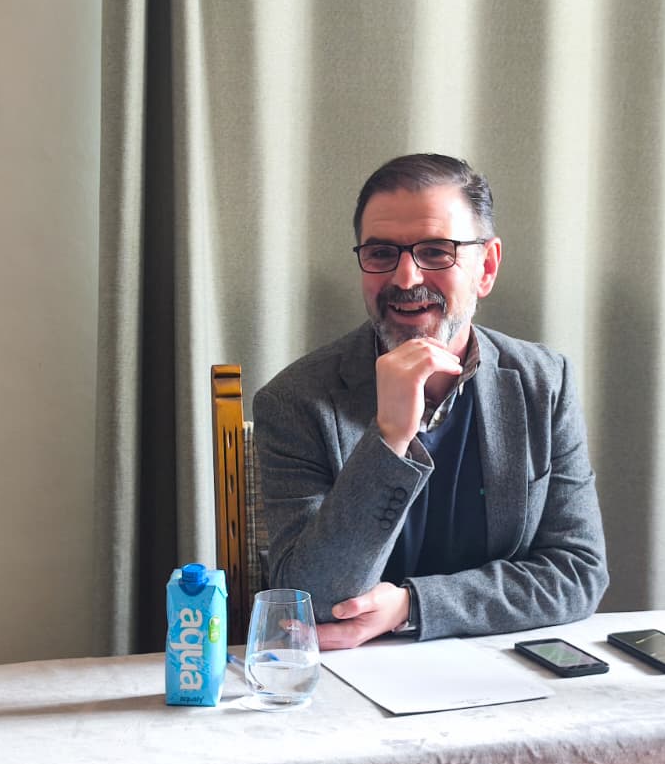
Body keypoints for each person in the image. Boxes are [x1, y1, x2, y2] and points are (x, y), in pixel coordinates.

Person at [252, 153, 607, 649]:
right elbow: (311, 597)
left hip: (506, 673)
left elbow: (577, 573)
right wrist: (390, 440)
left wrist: (411, 606)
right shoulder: (294, 402)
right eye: (380, 253)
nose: (405, 278)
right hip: (353, 681)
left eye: (436, 252)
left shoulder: (543, 383)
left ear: (487, 267)